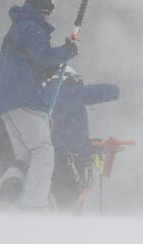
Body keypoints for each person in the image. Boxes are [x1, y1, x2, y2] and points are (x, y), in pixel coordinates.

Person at [0, 0, 79, 208]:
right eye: (49, 13)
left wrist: (49, 68)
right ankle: (34, 206)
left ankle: (1, 200)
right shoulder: (32, 27)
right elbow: (43, 56)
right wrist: (67, 50)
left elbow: (31, 63)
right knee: (43, 151)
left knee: (24, 156)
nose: (49, 18)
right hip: (25, 99)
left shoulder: (17, 28)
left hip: (6, 102)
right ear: (44, 11)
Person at [44, 66, 120, 210]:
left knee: (55, 207)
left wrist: (90, 146)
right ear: (70, 80)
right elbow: (98, 92)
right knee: (69, 209)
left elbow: (64, 134)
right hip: (68, 163)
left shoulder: (45, 97)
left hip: (49, 161)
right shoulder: (67, 93)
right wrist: (115, 91)